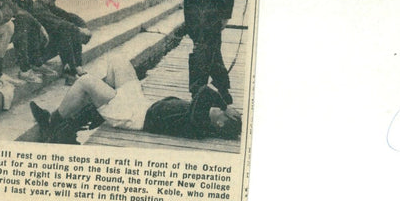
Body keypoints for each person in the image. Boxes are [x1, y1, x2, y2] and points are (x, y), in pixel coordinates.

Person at [29, 56, 241, 145]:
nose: (227, 110)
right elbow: (205, 95)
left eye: (228, 114)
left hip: (133, 116)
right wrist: (225, 107)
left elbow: (203, 90)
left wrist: (224, 104)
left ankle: (52, 121)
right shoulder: (206, 117)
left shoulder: (200, 125)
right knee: (118, 61)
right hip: (142, 105)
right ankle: (97, 104)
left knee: (86, 82)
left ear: (221, 123)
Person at [0, 0, 56, 83]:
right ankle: (25, 70)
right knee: (23, 22)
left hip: (4, 29)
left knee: (27, 20)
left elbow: (29, 11)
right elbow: (18, 12)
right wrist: (40, 27)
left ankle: (36, 62)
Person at [32, 0, 92, 84]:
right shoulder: (38, 8)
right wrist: (80, 30)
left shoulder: (49, 6)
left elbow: (68, 16)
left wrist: (84, 27)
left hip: (46, 47)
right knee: (64, 31)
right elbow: (60, 24)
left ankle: (77, 67)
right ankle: (71, 72)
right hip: (36, 54)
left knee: (68, 28)